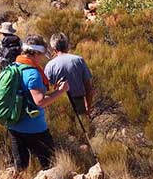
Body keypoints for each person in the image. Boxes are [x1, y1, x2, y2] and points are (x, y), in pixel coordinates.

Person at [7, 34, 69, 170]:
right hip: (34, 128)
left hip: (14, 126)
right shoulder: (32, 73)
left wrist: (52, 90)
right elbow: (40, 101)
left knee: (21, 168)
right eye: (41, 54)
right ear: (35, 52)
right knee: (50, 165)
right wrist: (61, 91)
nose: (42, 58)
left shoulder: (14, 66)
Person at [45, 33, 94, 116]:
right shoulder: (78, 60)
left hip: (60, 106)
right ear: (67, 45)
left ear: (54, 48)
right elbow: (88, 88)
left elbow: (46, 89)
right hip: (79, 103)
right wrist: (88, 107)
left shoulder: (50, 65)